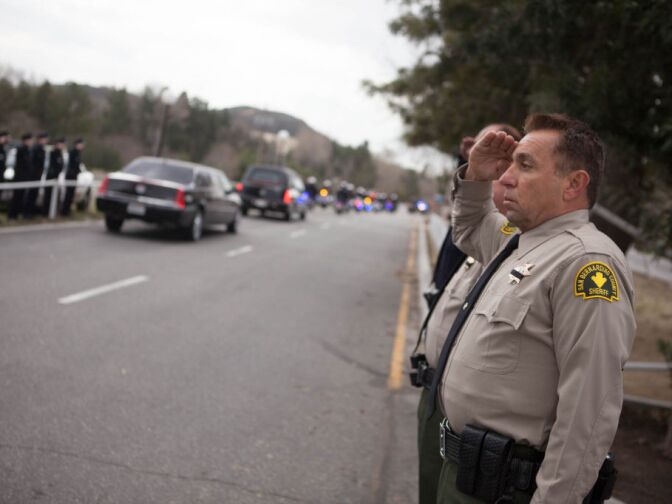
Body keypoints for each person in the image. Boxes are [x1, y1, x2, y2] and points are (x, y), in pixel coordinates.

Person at [433, 114, 636, 503]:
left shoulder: (586, 263)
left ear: (573, 184)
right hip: (465, 473)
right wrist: (474, 173)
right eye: (510, 165)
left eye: (524, 165)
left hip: (506, 488)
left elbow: (588, 412)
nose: (506, 177)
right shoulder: (525, 242)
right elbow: (469, 229)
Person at [412, 124, 522, 504]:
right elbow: (464, 211)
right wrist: (467, 165)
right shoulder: (479, 233)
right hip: (436, 391)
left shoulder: (505, 236)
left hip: (472, 430)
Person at [8, 133, 33, 220]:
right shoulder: (21, 149)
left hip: (24, 178)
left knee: (21, 197)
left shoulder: (28, 150)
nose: (31, 142)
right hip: (19, 177)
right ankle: (12, 215)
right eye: (29, 140)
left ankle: (17, 214)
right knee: (16, 197)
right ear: (25, 140)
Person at [25, 131, 49, 218]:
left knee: (34, 195)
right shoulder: (35, 149)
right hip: (33, 176)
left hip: (38, 176)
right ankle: (27, 213)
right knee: (30, 195)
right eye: (44, 139)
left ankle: (31, 212)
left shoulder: (42, 149)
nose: (46, 141)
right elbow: (33, 163)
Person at [61, 138, 84, 216]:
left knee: (71, 195)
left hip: (74, 176)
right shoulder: (72, 153)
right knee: (68, 194)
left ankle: (67, 211)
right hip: (70, 176)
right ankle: (64, 211)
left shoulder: (77, 153)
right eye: (81, 144)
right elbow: (71, 165)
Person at [43, 137, 66, 216]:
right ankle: (46, 212)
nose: (62, 146)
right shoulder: (53, 153)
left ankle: (53, 212)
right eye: (61, 144)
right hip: (50, 178)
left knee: (56, 196)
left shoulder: (60, 153)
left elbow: (61, 165)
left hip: (56, 178)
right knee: (48, 196)